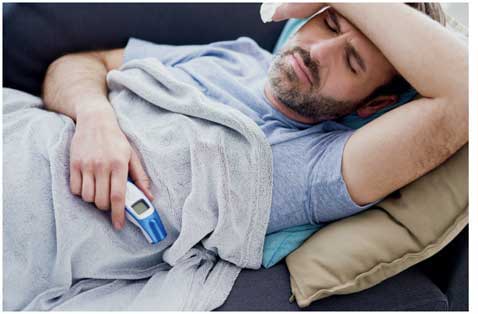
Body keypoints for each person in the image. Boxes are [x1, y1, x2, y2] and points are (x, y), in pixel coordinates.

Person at [41, 3, 468, 234]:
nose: (317, 54)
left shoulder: (317, 166)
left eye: (352, 62)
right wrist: (95, 117)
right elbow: (83, 63)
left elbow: (467, 95)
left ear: (371, 106)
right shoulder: (238, 52)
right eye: (329, 24)